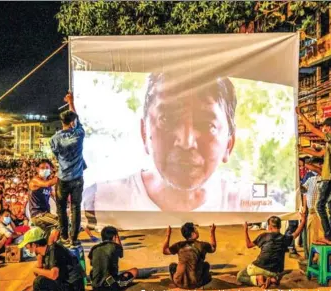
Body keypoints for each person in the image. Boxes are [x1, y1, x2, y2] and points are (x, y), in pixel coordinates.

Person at [83, 73, 258, 213]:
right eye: (166, 119)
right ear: (144, 132)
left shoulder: (251, 207)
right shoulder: (98, 202)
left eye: (206, 125)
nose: (186, 142)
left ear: (229, 143)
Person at [9, 228, 86, 291]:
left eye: (27, 246)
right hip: (66, 284)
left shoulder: (54, 251)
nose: (27, 249)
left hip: (74, 289)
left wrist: (36, 269)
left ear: (34, 245)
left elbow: (53, 275)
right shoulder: (46, 253)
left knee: (39, 282)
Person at [297, 110, 331, 245]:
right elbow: (320, 154)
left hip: (329, 178)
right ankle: (330, 237)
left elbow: (312, 129)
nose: (323, 129)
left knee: (319, 206)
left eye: (324, 127)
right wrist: (303, 149)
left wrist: (301, 115)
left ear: (328, 128)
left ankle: (329, 237)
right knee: (330, 208)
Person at [51, 92, 87, 246]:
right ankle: (74, 238)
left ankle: (64, 236)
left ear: (61, 121)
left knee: (61, 208)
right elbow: (77, 118)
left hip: (63, 178)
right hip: (77, 178)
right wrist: (71, 102)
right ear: (72, 122)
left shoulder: (55, 139)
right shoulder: (79, 134)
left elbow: (56, 156)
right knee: (75, 208)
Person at [237, 213, 306, 288]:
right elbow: (296, 233)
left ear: (269, 227)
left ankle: (258, 279)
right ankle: (271, 279)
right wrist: (303, 221)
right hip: (274, 272)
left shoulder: (263, 236)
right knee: (274, 275)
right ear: (280, 226)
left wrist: (245, 230)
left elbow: (249, 245)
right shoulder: (285, 238)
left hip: (258, 267)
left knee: (240, 276)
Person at [163, 222, 216, 289]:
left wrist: (168, 234)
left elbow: (165, 251)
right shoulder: (202, 245)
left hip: (179, 283)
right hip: (196, 283)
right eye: (196, 229)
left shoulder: (179, 245)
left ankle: (176, 279)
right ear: (193, 234)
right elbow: (213, 248)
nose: (197, 231)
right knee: (206, 265)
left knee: (172, 266)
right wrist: (212, 232)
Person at [89, 226, 138, 291]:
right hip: (110, 287)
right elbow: (121, 254)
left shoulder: (94, 248)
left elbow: (92, 263)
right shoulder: (115, 247)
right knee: (134, 271)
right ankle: (117, 285)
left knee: (96, 270)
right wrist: (117, 236)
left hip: (95, 286)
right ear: (114, 237)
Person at [28, 159, 60, 244]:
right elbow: (48, 184)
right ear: (37, 169)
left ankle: (49, 250)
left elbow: (55, 196)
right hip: (38, 215)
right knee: (60, 223)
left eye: (47, 168)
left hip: (46, 214)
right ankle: (51, 249)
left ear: (50, 169)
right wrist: (63, 175)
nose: (45, 170)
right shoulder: (35, 181)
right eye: (42, 168)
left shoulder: (48, 183)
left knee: (48, 236)